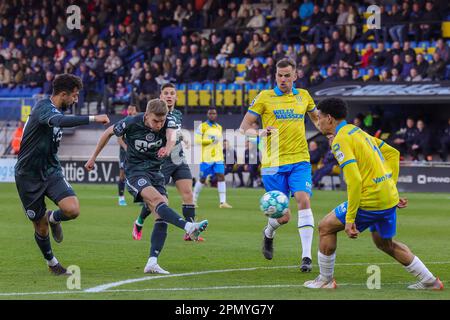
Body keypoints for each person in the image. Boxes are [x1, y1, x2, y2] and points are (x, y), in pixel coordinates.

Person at [304, 97, 443, 290]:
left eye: (318, 118)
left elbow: (354, 180)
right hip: (387, 198)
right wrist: (391, 188)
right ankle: (430, 281)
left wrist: (350, 218)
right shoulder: (358, 132)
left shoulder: (340, 140)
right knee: (385, 244)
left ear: (329, 118)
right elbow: (393, 153)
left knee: (325, 227)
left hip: (370, 201)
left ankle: (325, 280)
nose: (317, 122)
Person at [85, 99, 208, 274]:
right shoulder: (131, 122)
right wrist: (93, 157)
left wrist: (167, 147)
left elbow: (172, 136)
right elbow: (107, 132)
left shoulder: (169, 121)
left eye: (162, 121)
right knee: (158, 200)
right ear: (147, 115)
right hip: (135, 172)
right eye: (155, 121)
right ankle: (189, 227)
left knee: (161, 213)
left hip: (155, 172)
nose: (159, 125)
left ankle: (152, 262)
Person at [14, 74, 110, 275]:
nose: (76, 100)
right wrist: (93, 118)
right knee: (39, 227)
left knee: (72, 209)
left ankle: (54, 218)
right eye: (74, 96)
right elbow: (60, 120)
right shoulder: (43, 109)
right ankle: (52, 264)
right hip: (28, 176)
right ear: (63, 94)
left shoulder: (54, 110)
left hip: (51, 170)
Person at [239, 58, 320, 272]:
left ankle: (306, 257)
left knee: (303, 199)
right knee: (283, 217)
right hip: (273, 162)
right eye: (279, 75)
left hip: (299, 159)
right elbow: (243, 127)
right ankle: (268, 233)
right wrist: (258, 132)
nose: (283, 79)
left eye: (287, 75)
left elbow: (318, 120)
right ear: (275, 76)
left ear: (295, 76)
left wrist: (332, 134)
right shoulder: (265, 97)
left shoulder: (304, 96)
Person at [132, 83, 202, 242]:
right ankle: (139, 221)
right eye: (166, 93)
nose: (169, 96)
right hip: (162, 161)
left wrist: (183, 137)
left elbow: (174, 131)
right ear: (160, 97)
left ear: (176, 97)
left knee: (188, 193)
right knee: (158, 199)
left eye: (172, 93)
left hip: (179, 158)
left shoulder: (177, 114)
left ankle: (190, 231)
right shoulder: (154, 116)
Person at [193, 108, 232, 209]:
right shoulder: (202, 126)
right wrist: (210, 140)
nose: (212, 115)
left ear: (216, 115)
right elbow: (197, 140)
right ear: (207, 114)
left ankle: (223, 202)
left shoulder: (219, 127)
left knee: (221, 176)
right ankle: (193, 200)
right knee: (202, 179)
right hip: (206, 157)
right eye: (210, 113)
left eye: (214, 113)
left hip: (218, 157)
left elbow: (218, 142)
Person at [117, 104, 139, 206]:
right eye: (129, 109)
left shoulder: (139, 122)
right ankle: (121, 197)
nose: (130, 111)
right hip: (124, 153)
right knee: (122, 174)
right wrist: (127, 148)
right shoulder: (123, 122)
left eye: (132, 109)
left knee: (140, 173)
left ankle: (140, 197)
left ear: (136, 111)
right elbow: (119, 139)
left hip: (137, 153)